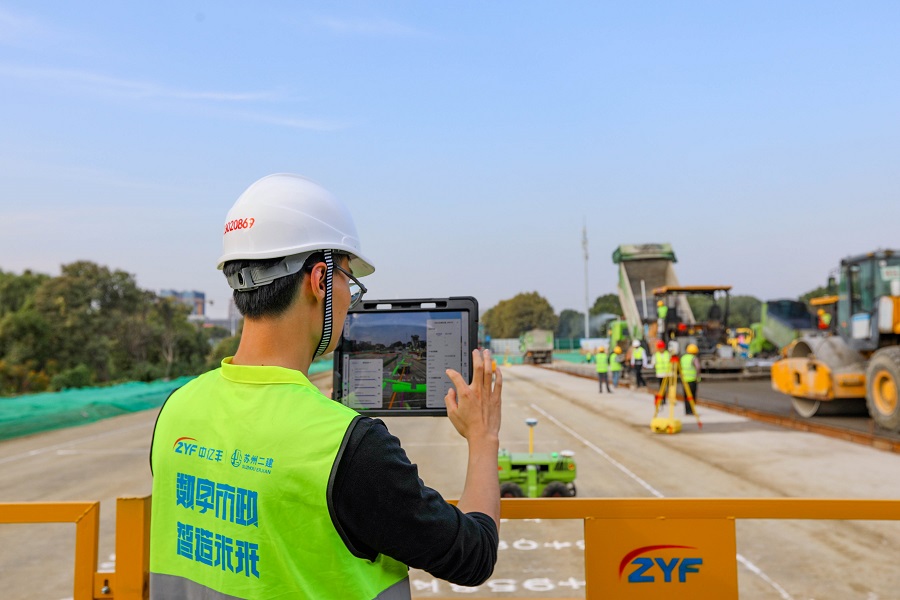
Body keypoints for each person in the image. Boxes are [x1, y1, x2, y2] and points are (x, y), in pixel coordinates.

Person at [149, 174, 502, 599]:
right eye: (348, 280)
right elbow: (474, 554)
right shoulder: (350, 447)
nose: (350, 298)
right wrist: (484, 437)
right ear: (319, 280)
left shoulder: (177, 409)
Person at [680, 343, 701, 415]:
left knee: (686, 396)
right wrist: (698, 377)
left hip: (684, 380)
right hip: (692, 380)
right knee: (692, 396)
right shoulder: (694, 358)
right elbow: (698, 367)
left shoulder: (683, 358)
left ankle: (687, 411)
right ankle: (692, 410)